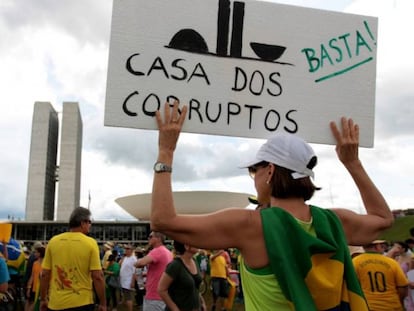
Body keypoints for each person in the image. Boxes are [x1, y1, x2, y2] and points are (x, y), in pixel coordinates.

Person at [149, 101, 394, 311]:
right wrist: (352, 162)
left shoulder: (250, 225)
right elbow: (383, 218)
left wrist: (166, 150)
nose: (253, 177)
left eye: (254, 170)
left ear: (270, 170)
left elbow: (162, 220)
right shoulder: (335, 221)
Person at [40, 207, 106, 311]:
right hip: (82, 303)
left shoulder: (53, 241)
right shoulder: (91, 243)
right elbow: (98, 276)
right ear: (82, 223)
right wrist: (103, 303)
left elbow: (44, 274)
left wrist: (43, 298)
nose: (90, 225)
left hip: (56, 303)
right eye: (89, 222)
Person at [353, 240, 409, 311]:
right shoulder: (391, 263)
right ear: (377, 246)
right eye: (382, 246)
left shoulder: (355, 262)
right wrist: (400, 301)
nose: (383, 247)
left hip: (367, 306)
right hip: (391, 306)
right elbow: (402, 287)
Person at [157, 240, 206, 311]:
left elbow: (195, 287)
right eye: (195, 241)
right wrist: (175, 309)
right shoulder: (175, 265)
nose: (198, 243)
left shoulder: (194, 261)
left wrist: (202, 302)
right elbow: (161, 290)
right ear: (187, 246)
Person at [135, 231, 172, 311]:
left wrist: (137, 261)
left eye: (150, 236)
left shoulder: (157, 251)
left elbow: (139, 263)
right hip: (164, 294)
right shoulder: (167, 252)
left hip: (154, 296)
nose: (148, 238)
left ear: (158, 239)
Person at [25, 244, 45, 311]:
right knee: (32, 303)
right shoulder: (35, 263)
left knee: (35, 305)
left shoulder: (45, 265)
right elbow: (32, 276)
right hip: (34, 288)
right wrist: (28, 288)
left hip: (40, 289)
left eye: (36, 252)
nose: (35, 254)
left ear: (40, 253)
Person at [119, 244, 137, 311]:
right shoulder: (125, 257)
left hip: (128, 281)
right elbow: (119, 264)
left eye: (128, 249)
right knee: (125, 295)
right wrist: (123, 257)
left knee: (128, 297)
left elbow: (134, 271)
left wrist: (132, 282)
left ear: (132, 250)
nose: (126, 250)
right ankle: (125, 304)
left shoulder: (133, 259)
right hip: (123, 280)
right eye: (125, 249)